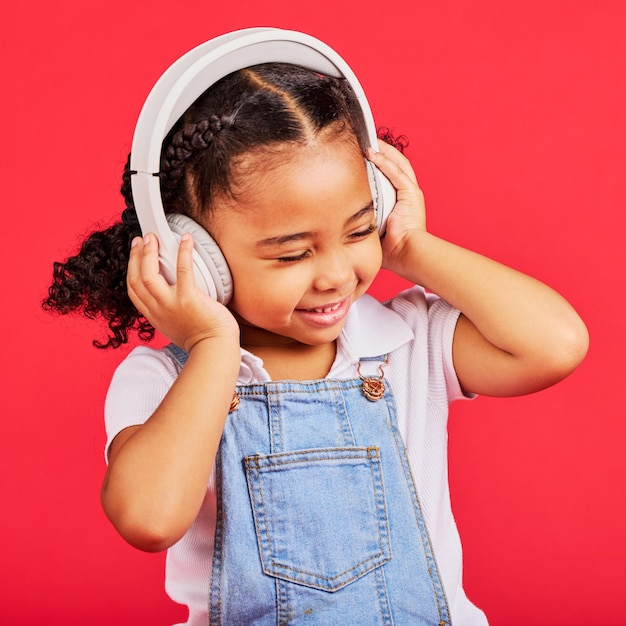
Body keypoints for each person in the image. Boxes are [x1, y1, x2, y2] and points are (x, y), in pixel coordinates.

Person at [43, 37, 588, 626]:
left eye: (358, 232)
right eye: (291, 255)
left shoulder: (407, 340)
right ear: (197, 256)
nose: (335, 275)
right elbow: (148, 519)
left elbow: (556, 345)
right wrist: (213, 348)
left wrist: (412, 249)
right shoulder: (165, 379)